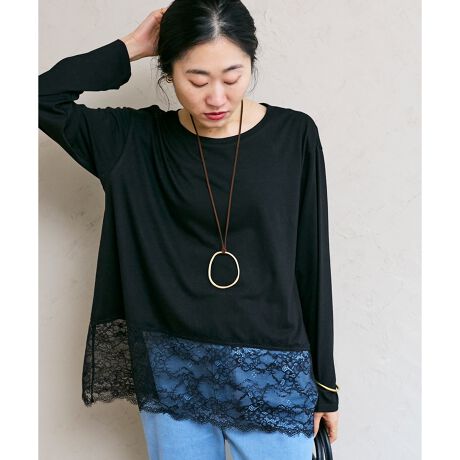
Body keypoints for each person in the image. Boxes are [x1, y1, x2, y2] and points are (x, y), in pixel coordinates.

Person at [38, 1, 340, 459]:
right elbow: (38, 97)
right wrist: (130, 47)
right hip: (175, 370)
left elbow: (312, 261)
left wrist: (325, 387)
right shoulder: (132, 141)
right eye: (197, 81)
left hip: (271, 370)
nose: (216, 97)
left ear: (251, 63)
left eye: (232, 77)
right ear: (168, 71)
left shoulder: (294, 135)